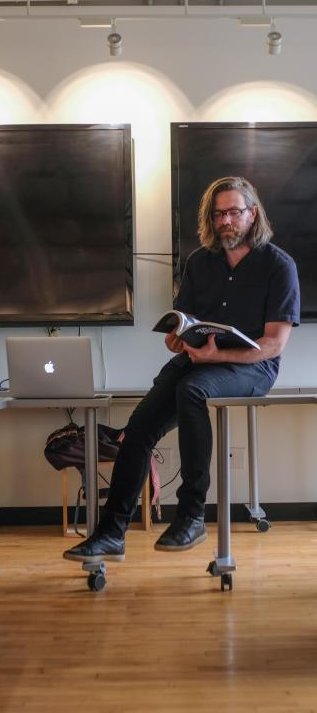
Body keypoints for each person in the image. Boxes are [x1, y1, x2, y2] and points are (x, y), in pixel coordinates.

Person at [64, 176, 300, 563]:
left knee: (192, 390)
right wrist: (176, 339)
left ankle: (191, 516)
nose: (226, 221)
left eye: (234, 212)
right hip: (197, 363)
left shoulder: (279, 265)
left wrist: (215, 357)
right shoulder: (199, 262)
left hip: (253, 367)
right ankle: (110, 533)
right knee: (137, 428)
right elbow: (183, 322)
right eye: (218, 213)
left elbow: (273, 344)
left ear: (252, 214)